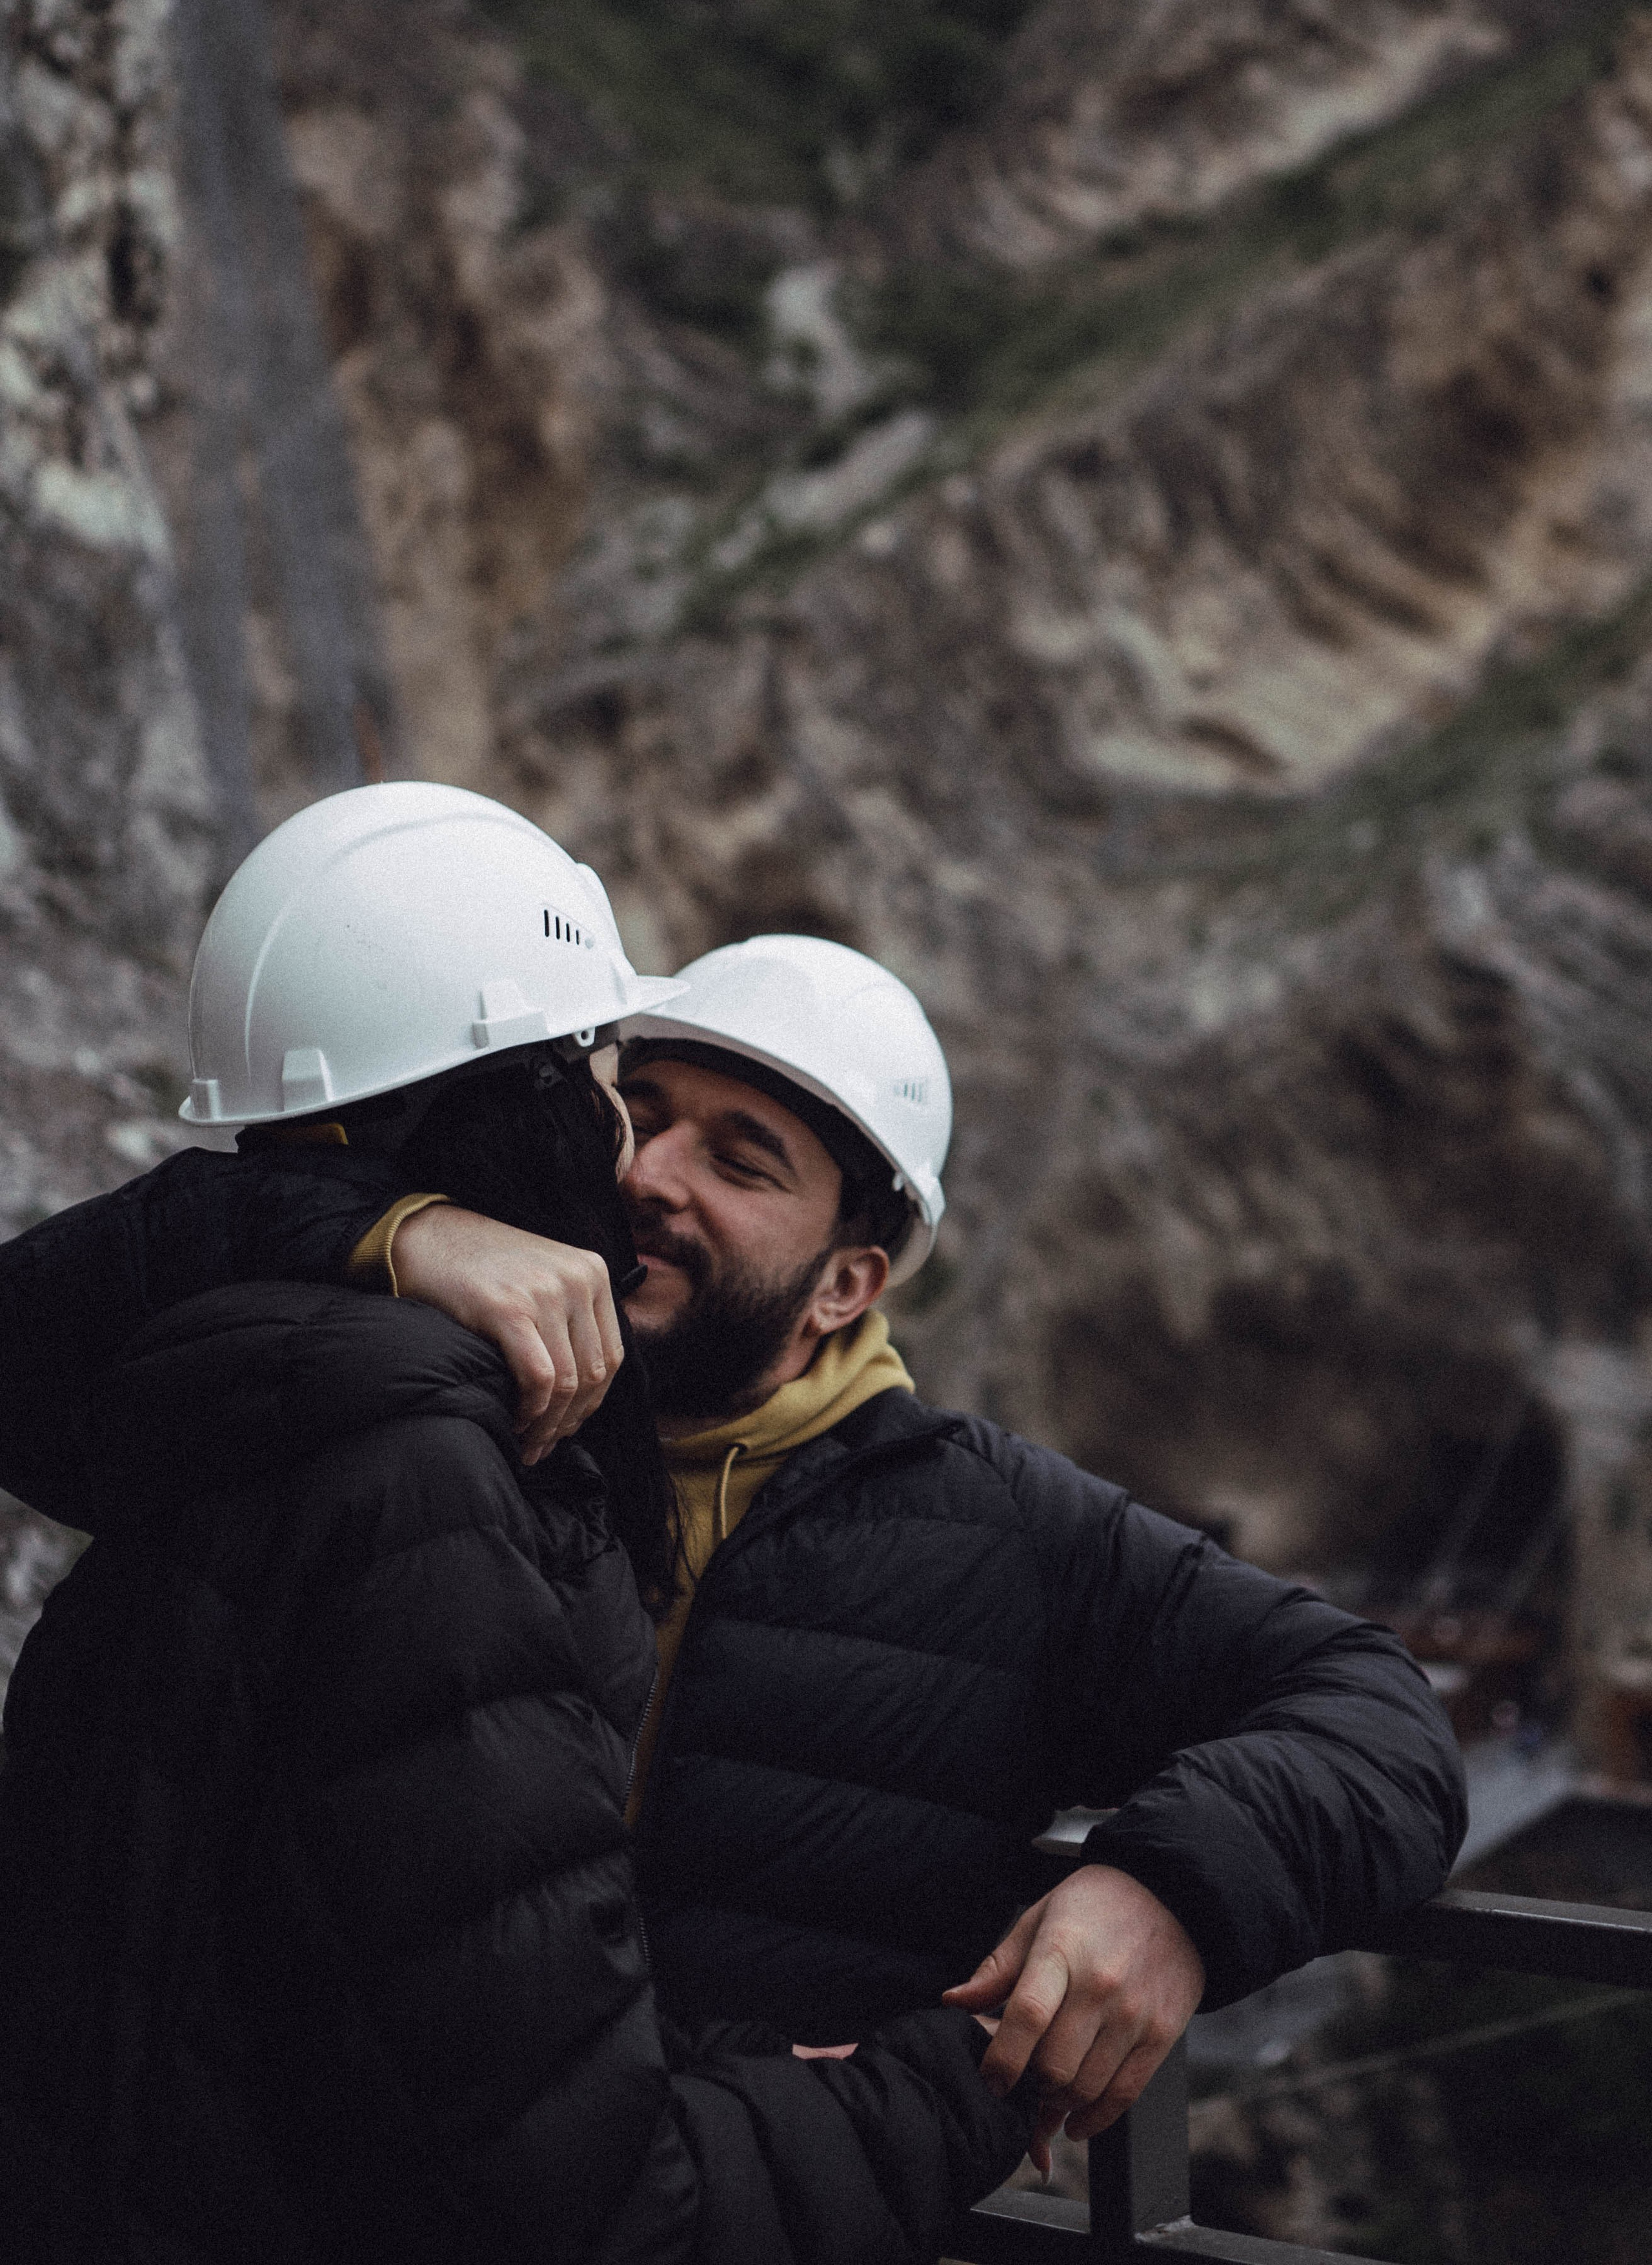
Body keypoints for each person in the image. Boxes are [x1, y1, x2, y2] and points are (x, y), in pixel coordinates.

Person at [0, 831, 1467, 2175]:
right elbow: (45, 1339)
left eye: (740, 1159)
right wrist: (388, 1229)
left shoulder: (1003, 1538)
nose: (648, 1176)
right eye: (635, 1111)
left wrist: (1169, 1894)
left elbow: (1376, 1712)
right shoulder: (445, 1416)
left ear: (848, 1283)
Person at [0, 787, 1033, 2265]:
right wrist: (963, 2080)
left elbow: (371, 1982)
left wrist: (374, 1224)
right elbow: (601, 2214)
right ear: (530, 1108)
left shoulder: (219, 1407)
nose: (631, 1153)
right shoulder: (429, 1484)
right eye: (612, 1081)